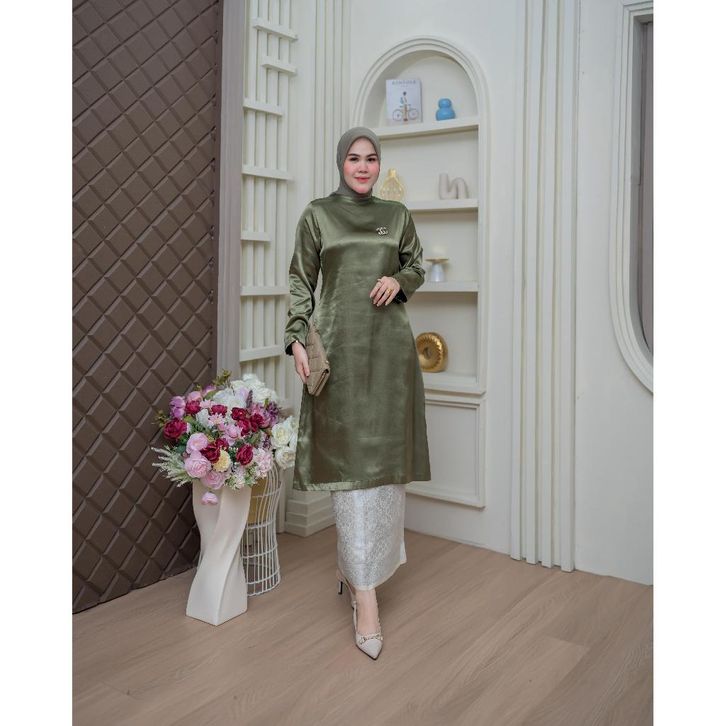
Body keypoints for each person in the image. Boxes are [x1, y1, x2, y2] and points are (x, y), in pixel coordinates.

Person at [283, 126, 431, 659]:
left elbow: (416, 265)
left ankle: (360, 574)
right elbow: (301, 280)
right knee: (350, 472)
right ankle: (364, 597)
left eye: (371, 158)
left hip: (389, 357)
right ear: (340, 163)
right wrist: (295, 337)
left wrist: (400, 281)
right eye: (354, 158)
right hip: (340, 354)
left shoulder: (397, 215)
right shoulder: (318, 215)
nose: (363, 166)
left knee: (384, 474)